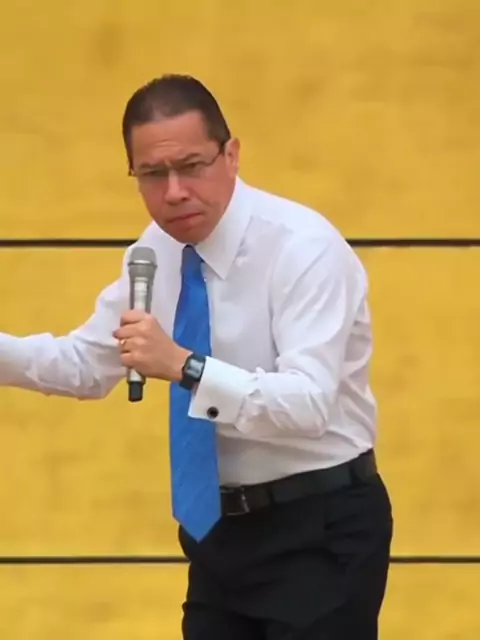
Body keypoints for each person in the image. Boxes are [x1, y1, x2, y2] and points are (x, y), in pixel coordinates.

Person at [0, 74, 393, 639]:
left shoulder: (303, 248)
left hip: (320, 525)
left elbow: (308, 404)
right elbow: (84, 364)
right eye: (152, 174)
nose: (174, 192)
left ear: (231, 155)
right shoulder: (154, 252)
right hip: (219, 535)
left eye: (191, 166)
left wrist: (185, 366)